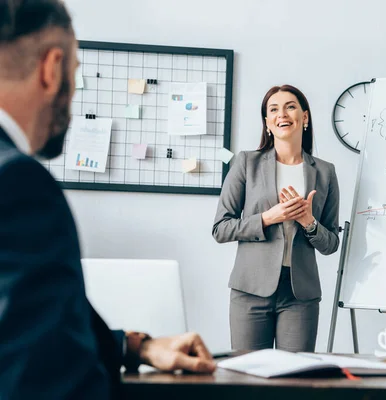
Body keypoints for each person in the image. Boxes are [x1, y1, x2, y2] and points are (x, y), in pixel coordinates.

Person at [0, 1, 215, 398]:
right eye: (75, 73)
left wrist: (136, 346)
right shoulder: (18, 182)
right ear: (51, 69)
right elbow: (40, 375)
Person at [213, 84, 340, 352]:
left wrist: (309, 222)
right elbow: (221, 228)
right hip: (250, 290)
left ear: (304, 117)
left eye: (290, 106)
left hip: (300, 295)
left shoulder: (325, 172)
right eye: (274, 109)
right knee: (247, 379)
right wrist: (267, 218)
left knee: (295, 382)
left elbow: (331, 244)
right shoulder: (247, 163)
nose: (282, 114)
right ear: (267, 122)